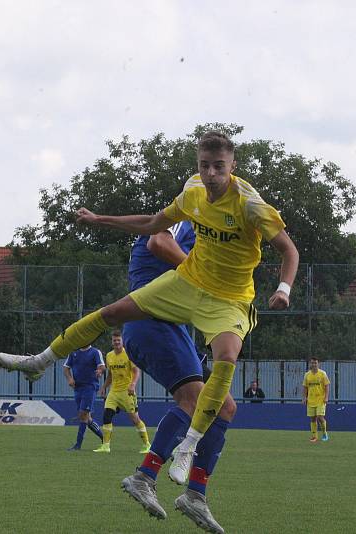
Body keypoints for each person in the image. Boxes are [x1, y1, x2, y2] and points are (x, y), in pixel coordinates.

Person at [0, 131, 299, 483]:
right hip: (188, 284)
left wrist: (284, 288)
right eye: (204, 166)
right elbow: (154, 225)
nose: (211, 174)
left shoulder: (250, 205)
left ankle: (187, 448)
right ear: (197, 165)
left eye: (219, 167)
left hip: (228, 299)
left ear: (233, 166)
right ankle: (40, 360)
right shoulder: (193, 192)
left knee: (226, 359)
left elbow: (289, 250)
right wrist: (99, 219)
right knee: (111, 313)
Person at [118, 220, 238, 534]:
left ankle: (195, 495)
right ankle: (144, 477)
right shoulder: (182, 215)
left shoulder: (205, 234)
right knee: (194, 399)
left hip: (173, 327)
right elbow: (157, 242)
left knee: (223, 406)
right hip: (150, 320)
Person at [93, 330, 151, 454]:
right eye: (114, 340)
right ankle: (106, 446)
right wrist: (104, 387)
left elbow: (136, 371)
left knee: (135, 419)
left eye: (118, 340)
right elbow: (110, 374)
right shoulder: (109, 356)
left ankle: (147, 444)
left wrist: (133, 384)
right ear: (112, 342)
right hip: (114, 392)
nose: (116, 342)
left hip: (127, 392)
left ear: (122, 341)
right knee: (107, 415)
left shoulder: (128, 355)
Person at [62, 344, 105, 450]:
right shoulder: (73, 352)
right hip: (77, 388)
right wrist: (69, 379)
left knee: (83, 414)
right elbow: (66, 368)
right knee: (86, 417)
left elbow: (102, 366)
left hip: (90, 386)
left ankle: (78, 444)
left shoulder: (95, 352)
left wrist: (99, 371)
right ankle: (105, 438)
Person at [302, 357, 330, 443]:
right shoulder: (307, 375)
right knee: (313, 418)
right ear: (310, 364)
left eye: (315, 363)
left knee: (320, 417)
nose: (314, 364)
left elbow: (327, 386)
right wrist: (304, 398)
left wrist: (326, 397)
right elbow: (305, 387)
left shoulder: (322, 374)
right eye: (312, 363)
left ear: (318, 364)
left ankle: (325, 433)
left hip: (320, 400)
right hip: (311, 400)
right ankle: (314, 436)